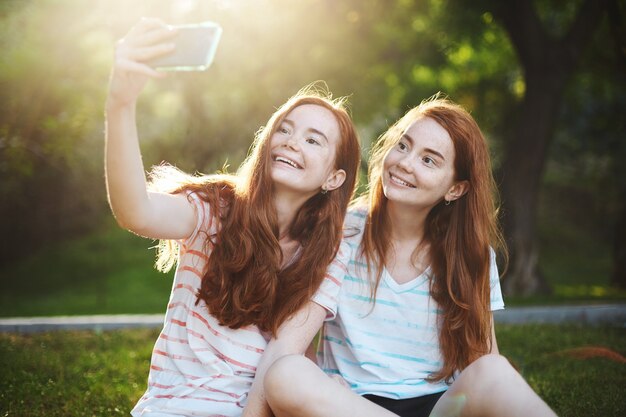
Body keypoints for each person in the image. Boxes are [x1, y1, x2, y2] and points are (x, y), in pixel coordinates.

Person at [105, 18, 361, 417]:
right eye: (285, 129)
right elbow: (135, 211)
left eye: (313, 139)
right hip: (177, 406)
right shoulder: (215, 209)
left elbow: (281, 354)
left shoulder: (328, 252)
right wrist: (120, 104)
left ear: (334, 177)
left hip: (261, 406)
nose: (292, 141)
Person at [264, 97, 558, 417]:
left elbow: (482, 359)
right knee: (286, 373)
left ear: (456, 189)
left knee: (495, 370)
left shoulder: (471, 256)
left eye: (429, 160)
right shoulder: (340, 233)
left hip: (440, 407)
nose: (405, 163)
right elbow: (297, 332)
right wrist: (318, 374)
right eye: (403, 146)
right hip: (351, 404)